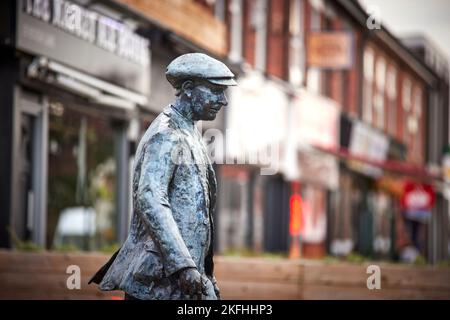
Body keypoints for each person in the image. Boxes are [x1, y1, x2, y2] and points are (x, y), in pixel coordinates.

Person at [89, 53, 236, 300]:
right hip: (158, 286)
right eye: (215, 90)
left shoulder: (191, 132)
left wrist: (204, 273)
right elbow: (150, 199)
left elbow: (197, 216)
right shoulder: (166, 134)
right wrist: (184, 266)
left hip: (184, 283)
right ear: (188, 89)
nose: (223, 100)